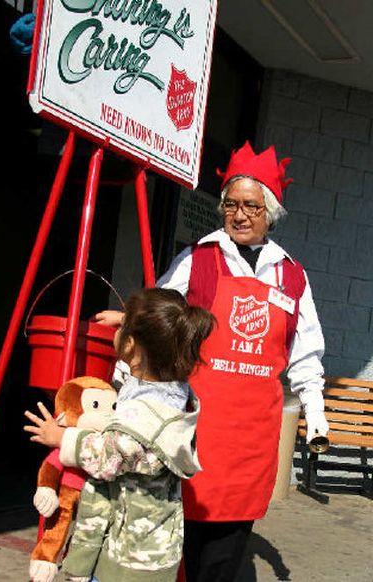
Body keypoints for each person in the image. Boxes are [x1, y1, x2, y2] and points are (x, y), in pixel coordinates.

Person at [154, 141, 329, 581]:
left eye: (251, 205)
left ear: (270, 211)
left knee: (225, 555)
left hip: (250, 439)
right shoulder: (198, 260)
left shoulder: (290, 274)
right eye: (231, 204)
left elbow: (306, 354)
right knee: (177, 544)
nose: (240, 215)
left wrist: (316, 413)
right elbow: (157, 323)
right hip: (193, 432)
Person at [24, 287, 215, 582]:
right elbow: (137, 376)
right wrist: (126, 322)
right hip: (159, 547)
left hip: (129, 557)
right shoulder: (175, 392)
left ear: (130, 346)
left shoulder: (144, 416)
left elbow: (107, 457)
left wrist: (61, 437)